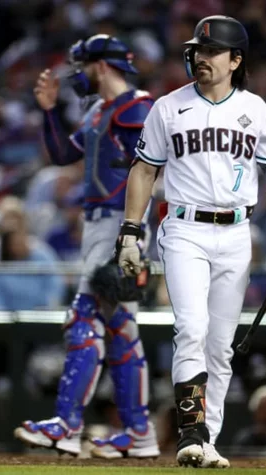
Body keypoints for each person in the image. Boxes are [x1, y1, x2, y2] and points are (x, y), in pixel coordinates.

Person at [115, 16, 266, 468]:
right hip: (185, 227)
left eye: (211, 52)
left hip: (237, 233)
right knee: (191, 328)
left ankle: (208, 442)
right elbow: (144, 170)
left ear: (235, 60)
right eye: (198, 50)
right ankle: (190, 431)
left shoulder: (256, 109)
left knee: (221, 346)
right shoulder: (168, 107)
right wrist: (130, 230)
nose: (201, 58)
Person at [13, 34, 160, 459]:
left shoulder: (137, 107)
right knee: (119, 329)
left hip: (119, 224)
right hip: (99, 225)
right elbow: (62, 154)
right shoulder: (101, 110)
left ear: (100, 65)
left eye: (82, 66)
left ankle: (67, 424)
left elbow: (147, 170)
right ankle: (138, 432)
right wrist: (47, 112)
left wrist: (131, 235)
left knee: (84, 317)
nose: (77, 74)